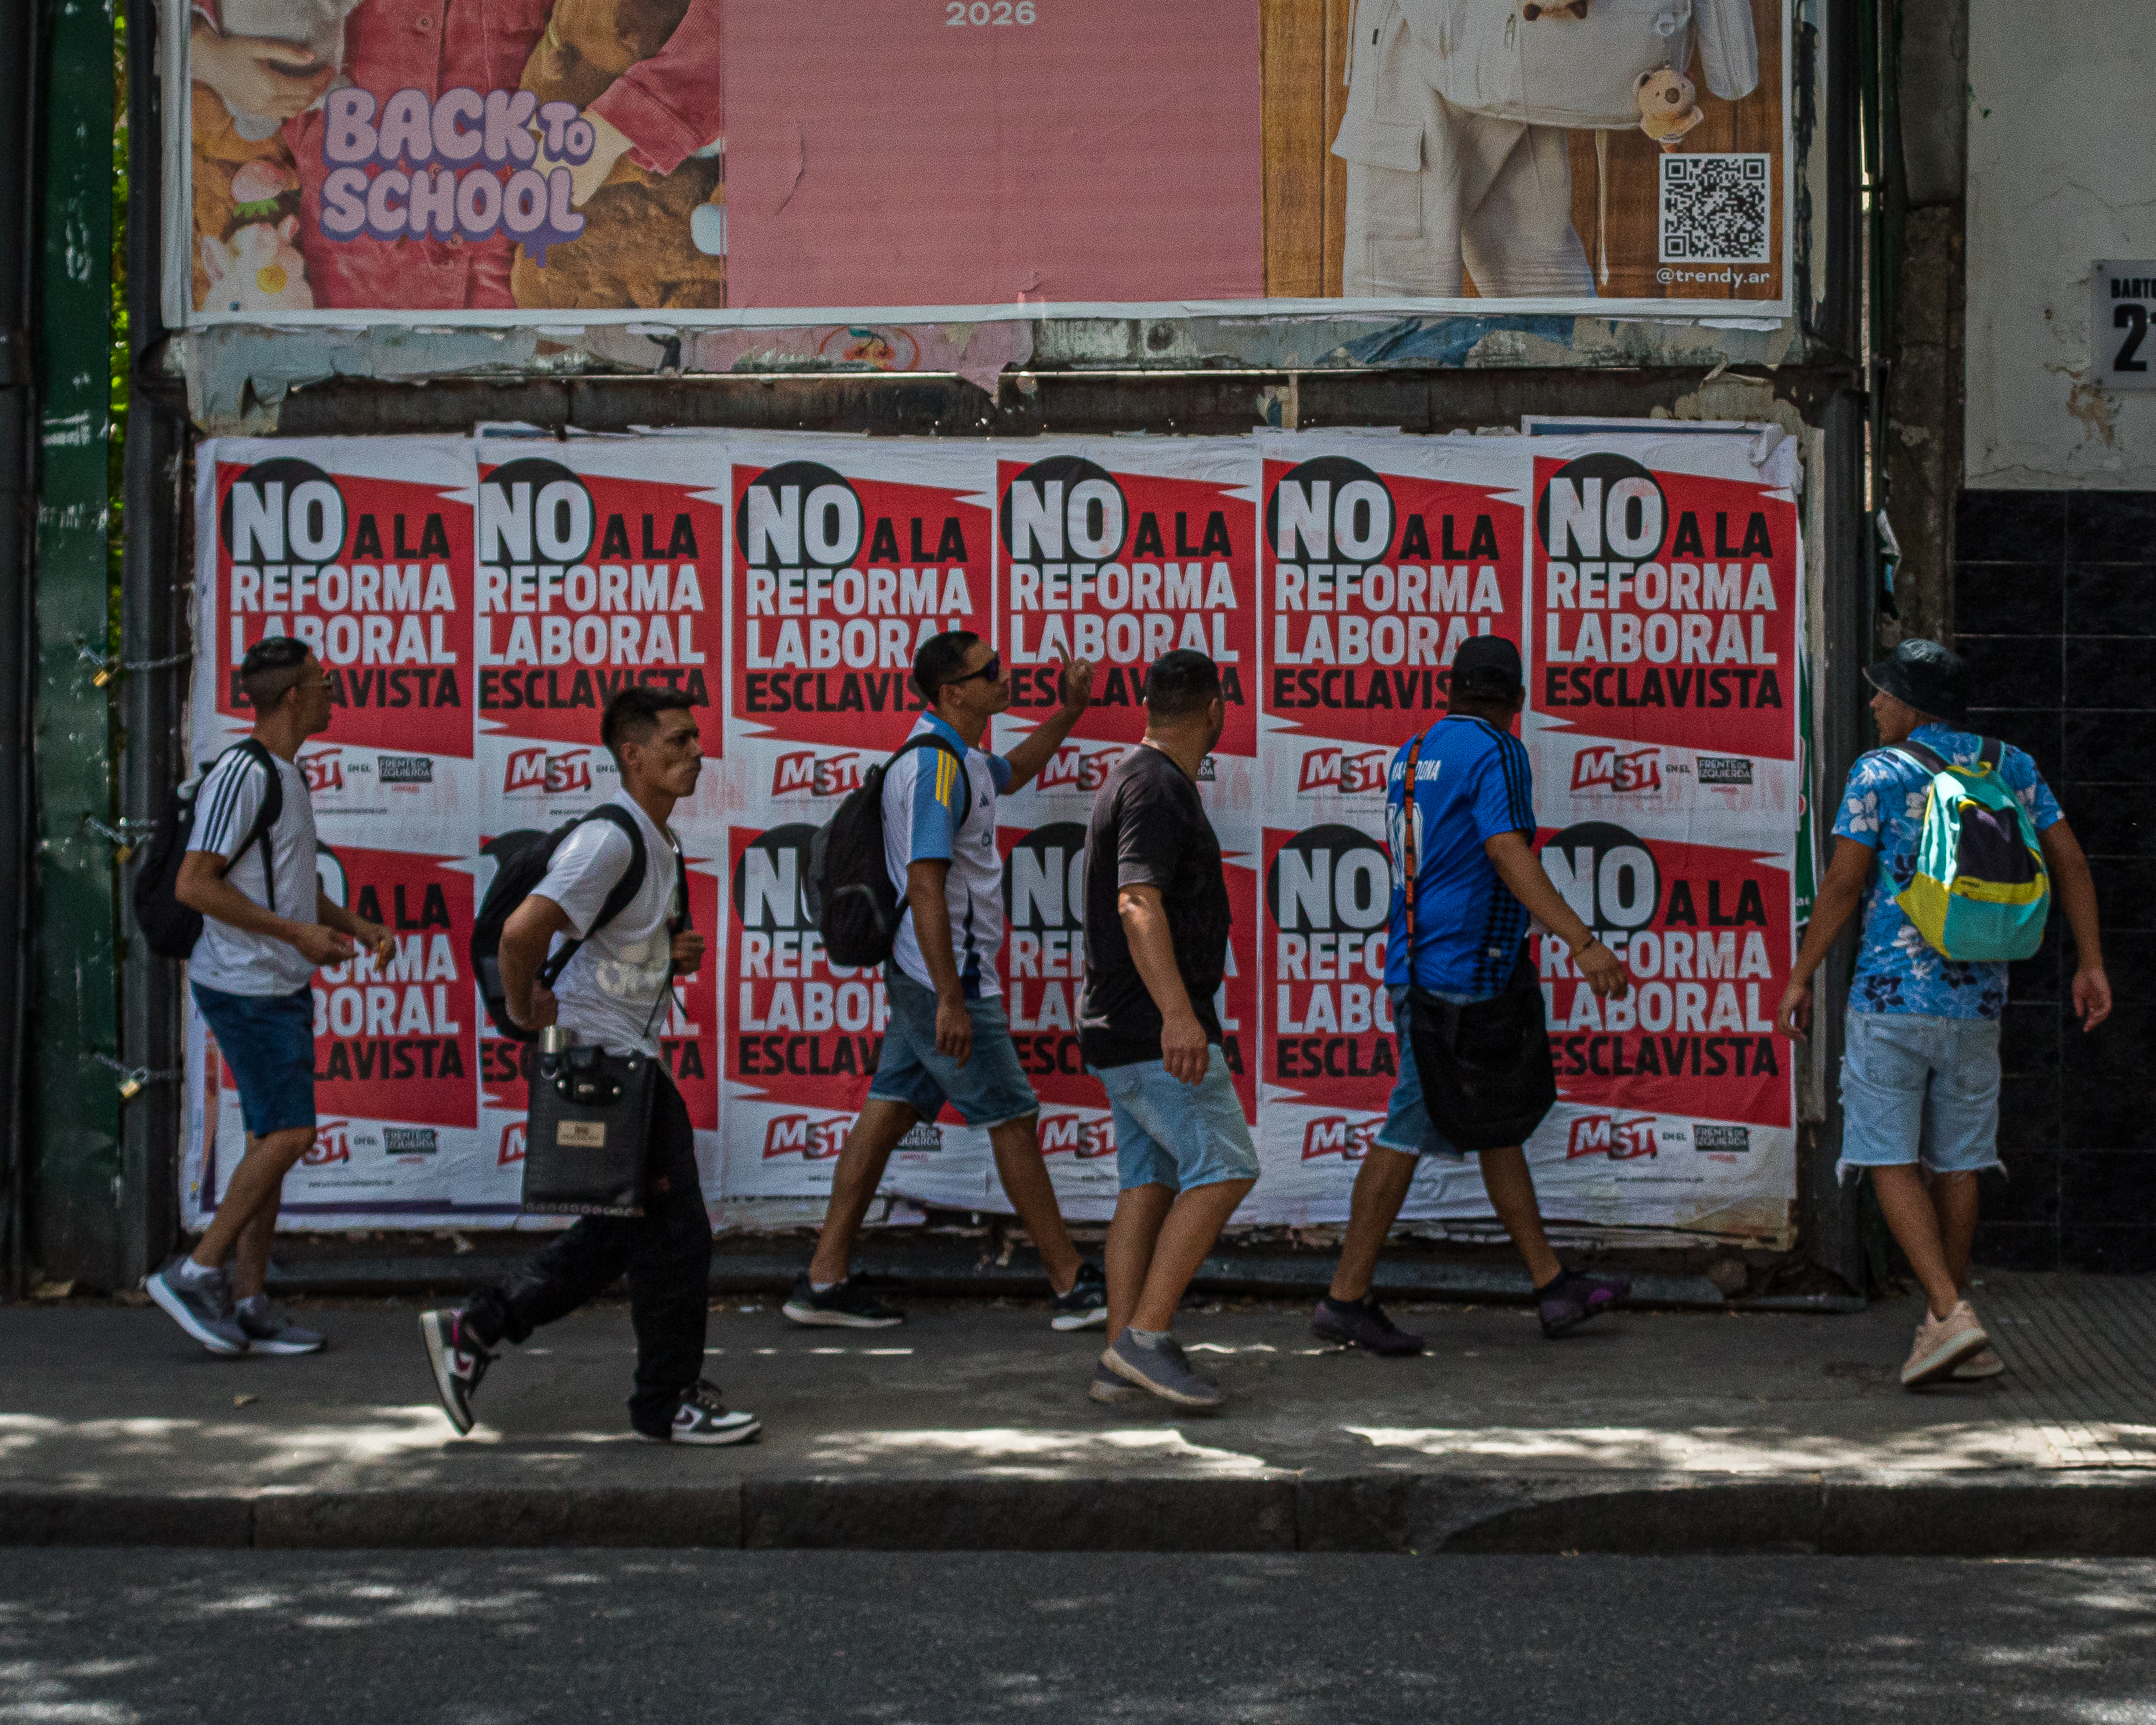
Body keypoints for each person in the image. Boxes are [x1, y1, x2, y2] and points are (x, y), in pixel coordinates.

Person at [419, 686, 755, 1444]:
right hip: (604, 1063)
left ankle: (476, 1329)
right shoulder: (609, 840)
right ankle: (664, 1402)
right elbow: (521, 934)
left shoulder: (656, 840)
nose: (695, 752)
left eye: (697, 739)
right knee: (677, 1236)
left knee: (617, 1232)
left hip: (624, 1057)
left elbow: (608, 946)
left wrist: (666, 955)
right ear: (632, 755)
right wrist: (521, 1009)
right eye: (676, 741)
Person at [1778, 638, 2110, 1388]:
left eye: (1883, 693)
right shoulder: (2010, 765)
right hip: (1978, 1000)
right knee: (1960, 1160)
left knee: (1885, 1152)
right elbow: (2073, 863)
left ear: (1913, 704)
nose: (1874, 704)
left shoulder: (1879, 771)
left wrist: (1801, 977)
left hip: (1889, 1000)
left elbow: (1839, 885)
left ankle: (1948, 1312)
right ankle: (1943, 1325)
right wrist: (2089, 962)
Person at [1311, 635, 1631, 1356]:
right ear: (1515, 700)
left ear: (1450, 688)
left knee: (1493, 1122)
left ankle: (1551, 1286)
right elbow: (1505, 849)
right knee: (1410, 1123)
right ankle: (1345, 1296)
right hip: (1458, 973)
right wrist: (1581, 941)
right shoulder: (1497, 750)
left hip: (1422, 960)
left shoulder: (1412, 750)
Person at [785, 633, 1111, 1330]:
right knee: (1013, 1118)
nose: (1004, 677)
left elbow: (1013, 771)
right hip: (944, 979)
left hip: (923, 976)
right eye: (989, 672)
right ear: (953, 693)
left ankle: (822, 1279)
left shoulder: (955, 757)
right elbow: (926, 887)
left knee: (888, 1111)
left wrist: (1069, 711)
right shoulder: (933, 768)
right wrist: (953, 1000)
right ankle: (1070, 1282)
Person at [145, 636, 394, 1356]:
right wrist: (295, 934)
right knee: (290, 1135)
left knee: (269, 1143)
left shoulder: (286, 775)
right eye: (323, 682)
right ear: (293, 697)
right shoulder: (243, 773)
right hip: (246, 985)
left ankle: (250, 1300)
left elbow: (287, 882)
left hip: (275, 981)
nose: (331, 692)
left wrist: (348, 923)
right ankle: (196, 1272)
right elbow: (196, 882)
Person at [1082, 650, 1259, 1411]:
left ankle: (1117, 1357)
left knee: (1148, 1187)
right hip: (1153, 1029)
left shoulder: (1138, 777)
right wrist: (1180, 1016)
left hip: (1122, 1027)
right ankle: (1144, 1340)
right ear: (1216, 709)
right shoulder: (1156, 786)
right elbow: (1137, 903)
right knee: (1224, 1169)